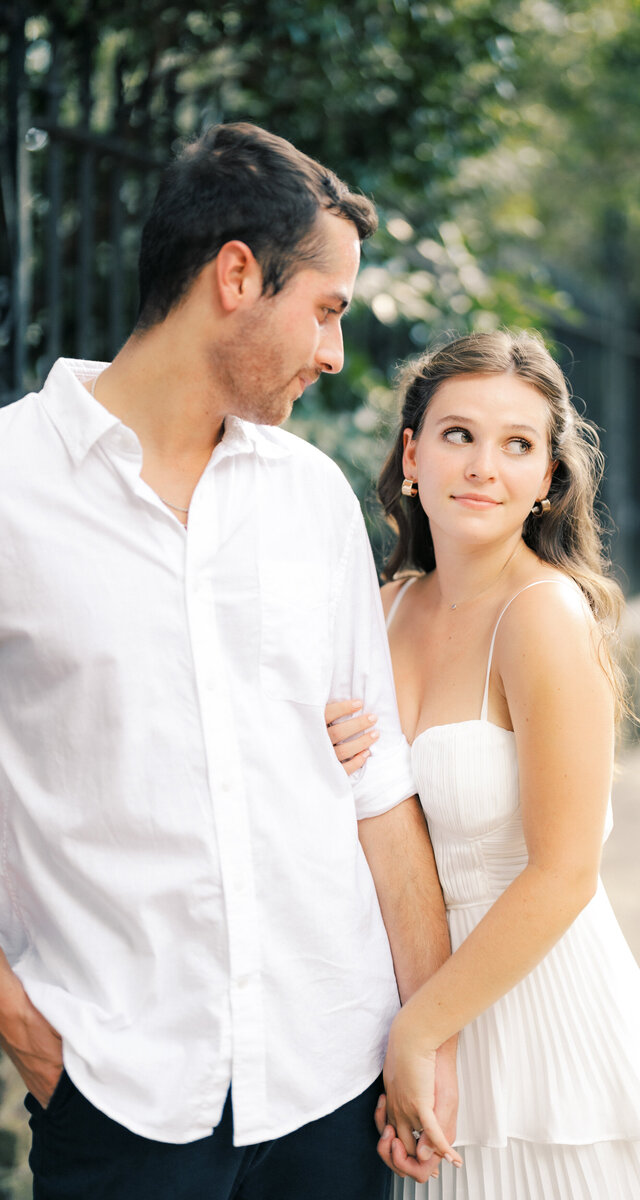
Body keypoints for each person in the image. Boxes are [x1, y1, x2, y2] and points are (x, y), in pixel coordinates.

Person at [0, 122, 459, 1199]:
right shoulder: (12, 486)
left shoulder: (309, 499)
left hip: (330, 1087)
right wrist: (20, 1024)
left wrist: (423, 1040)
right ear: (237, 275)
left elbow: (377, 789)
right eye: (326, 308)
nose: (335, 354)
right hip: (117, 1094)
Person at [325, 329, 640, 1198]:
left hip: (542, 1023)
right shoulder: (376, 613)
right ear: (412, 456)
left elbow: (566, 872)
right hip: (410, 1018)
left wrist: (420, 1032)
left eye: (518, 445)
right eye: (458, 434)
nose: (483, 466)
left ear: (545, 482)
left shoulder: (543, 615)